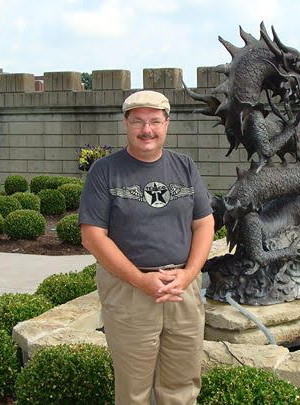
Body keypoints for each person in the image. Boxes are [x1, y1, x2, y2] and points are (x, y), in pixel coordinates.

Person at [78, 90, 214, 405]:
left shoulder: (185, 166)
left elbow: (204, 223)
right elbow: (93, 236)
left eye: (154, 121)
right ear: (126, 124)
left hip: (182, 289)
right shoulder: (105, 171)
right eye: (138, 121)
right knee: (133, 391)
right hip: (130, 290)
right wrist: (141, 281)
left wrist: (189, 274)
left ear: (166, 124)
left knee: (182, 387)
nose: (147, 130)